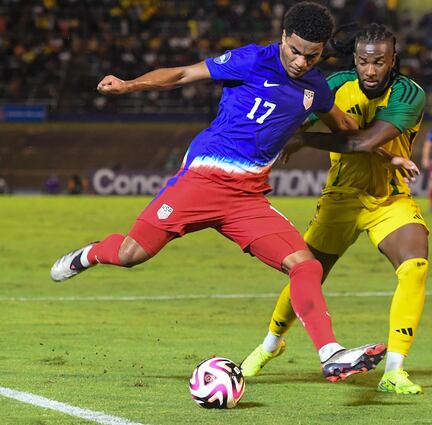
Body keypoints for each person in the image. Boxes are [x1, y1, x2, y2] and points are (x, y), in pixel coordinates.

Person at [50, 2, 385, 382]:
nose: (301, 62)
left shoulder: (316, 86)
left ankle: (331, 354)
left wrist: (389, 151)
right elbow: (181, 74)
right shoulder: (250, 60)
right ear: (282, 39)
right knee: (130, 254)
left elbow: (343, 126)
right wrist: (129, 85)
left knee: (305, 266)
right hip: (203, 181)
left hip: (247, 199)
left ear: (321, 50)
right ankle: (90, 254)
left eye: (311, 55)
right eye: (294, 51)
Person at [241, 23, 428, 395]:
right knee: (305, 272)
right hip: (339, 200)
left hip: (388, 199)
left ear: (393, 61)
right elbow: (299, 113)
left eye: (379, 62)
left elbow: (363, 141)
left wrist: (304, 138)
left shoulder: (409, 94)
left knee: (414, 267)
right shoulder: (336, 83)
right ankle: (270, 345)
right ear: (354, 60)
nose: (370, 70)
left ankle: (394, 370)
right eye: (363, 62)